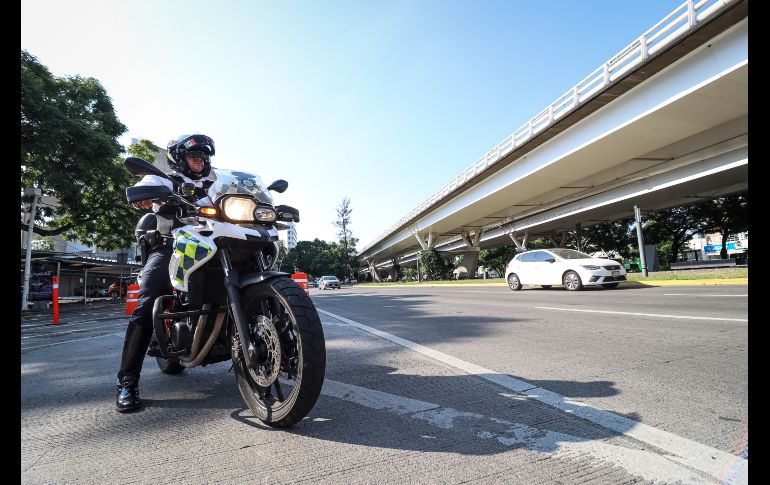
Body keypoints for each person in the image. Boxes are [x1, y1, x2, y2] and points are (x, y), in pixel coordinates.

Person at [115, 133, 215, 413]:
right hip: (172, 245)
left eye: (204, 154)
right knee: (147, 304)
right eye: (194, 154)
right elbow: (143, 187)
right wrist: (143, 197)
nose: (200, 158)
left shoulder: (216, 185)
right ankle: (127, 381)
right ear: (179, 158)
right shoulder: (164, 179)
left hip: (215, 244)